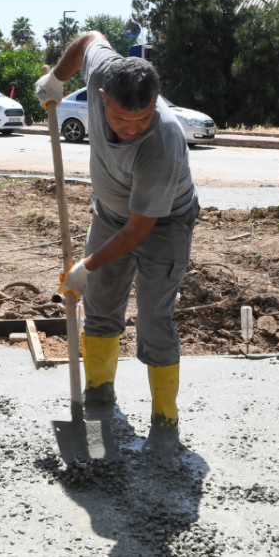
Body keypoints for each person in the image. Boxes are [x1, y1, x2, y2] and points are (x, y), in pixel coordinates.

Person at [36, 31, 199, 455]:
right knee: (100, 306)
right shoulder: (100, 74)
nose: (130, 129)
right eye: (120, 119)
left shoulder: (163, 142)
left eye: (140, 120)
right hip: (111, 215)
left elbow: (140, 230)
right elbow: (89, 39)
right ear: (102, 95)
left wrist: (85, 267)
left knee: (153, 320)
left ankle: (165, 423)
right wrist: (57, 78)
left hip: (163, 224)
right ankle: (98, 396)